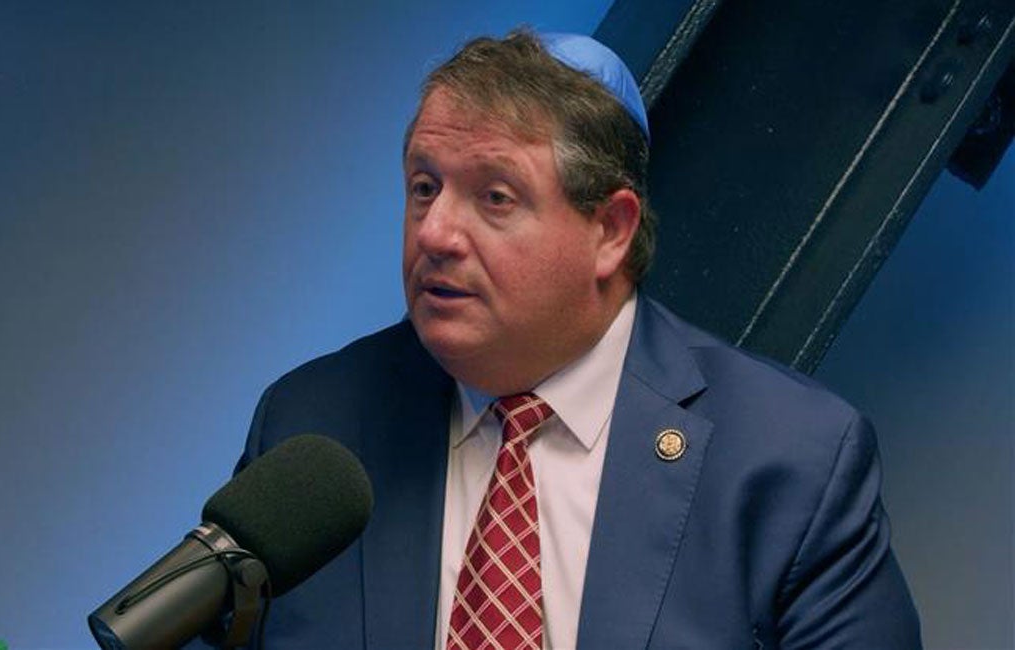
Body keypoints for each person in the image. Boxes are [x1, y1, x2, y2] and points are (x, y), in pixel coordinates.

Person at [229, 30, 921, 649]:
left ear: (610, 231)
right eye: (424, 187)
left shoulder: (789, 459)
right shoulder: (312, 424)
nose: (435, 232)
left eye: (495, 197)